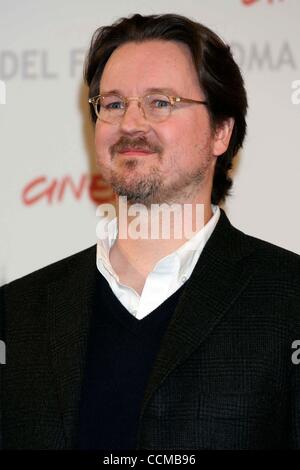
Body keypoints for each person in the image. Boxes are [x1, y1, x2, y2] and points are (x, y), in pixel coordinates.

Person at [0, 13, 299, 450]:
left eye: (161, 102)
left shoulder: (290, 298)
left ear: (221, 131)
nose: (131, 124)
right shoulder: (17, 314)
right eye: (114, 104)